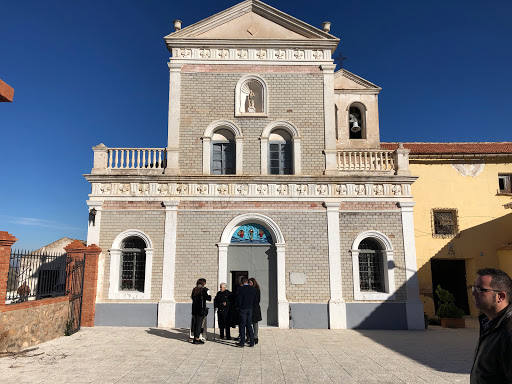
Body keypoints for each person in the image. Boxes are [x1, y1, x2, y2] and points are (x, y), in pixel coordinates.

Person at [470, 268, 512, 383]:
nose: (473, 293)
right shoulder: (488, 323)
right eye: (474, 288)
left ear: (500, 297)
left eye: (480, 289)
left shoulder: (508, 332)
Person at [190, 279, 211, 344]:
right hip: (200, 310)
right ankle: (197, 338)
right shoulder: (203, 290)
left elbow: (192, 297)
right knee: (199, 324)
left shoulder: (194, 290)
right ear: (203, 283)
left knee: (195, 324)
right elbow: (208, 298)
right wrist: (209, 295)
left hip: (194, 309)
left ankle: (194, 338)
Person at [237, 277, 256, 347]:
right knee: (249, 325)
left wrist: (239, 306)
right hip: (250, 308)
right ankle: (252, 342)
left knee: (242, 326)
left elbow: (239, 300)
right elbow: (255, 298)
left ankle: (242, 342)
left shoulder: (241, 289)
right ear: (247, 281)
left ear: (241, 282)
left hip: (243, 309)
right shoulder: (252, 288)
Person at [248, 277, 262, 345]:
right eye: (249, 283)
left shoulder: (256, 290)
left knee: (255, 324)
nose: (249, 284)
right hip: (249, 308)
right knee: (248, 324)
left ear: (253, 283)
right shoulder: (248, 289)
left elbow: (257, 300)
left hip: (255, 309)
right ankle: (249, 337)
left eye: (250, 283)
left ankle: (255, 337)